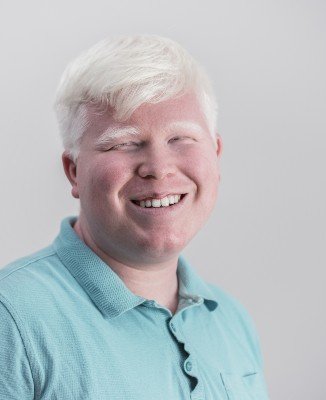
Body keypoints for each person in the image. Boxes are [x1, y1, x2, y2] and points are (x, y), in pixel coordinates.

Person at [0, 35, 269, 399]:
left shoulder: (231, 321)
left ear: (216, 153)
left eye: (181, 138)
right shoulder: (11, 317)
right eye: (123, 143)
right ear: (74, 171)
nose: (159, 169)